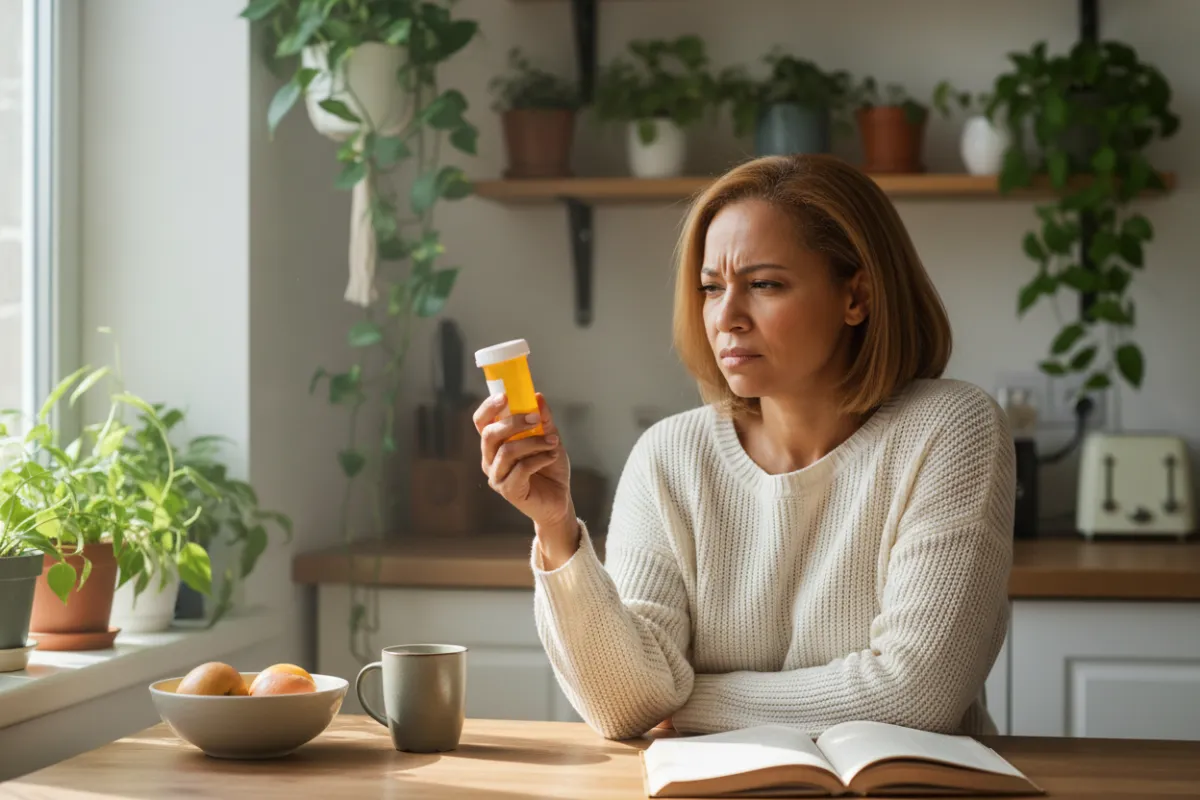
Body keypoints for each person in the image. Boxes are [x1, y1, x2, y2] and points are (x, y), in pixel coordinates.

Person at [473, 153, 1015, 741]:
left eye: (764, 284)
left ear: (856, 297)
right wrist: (555, 527)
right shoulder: (669, 457)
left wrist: (684, 703)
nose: (726, 317)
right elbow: (624, 705)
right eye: (711, 288)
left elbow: (916, 694)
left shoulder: (951, 428)